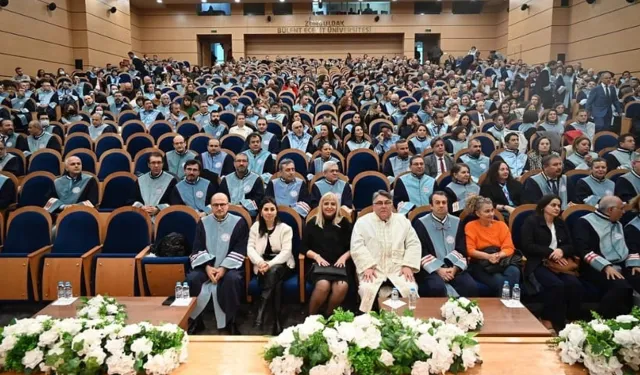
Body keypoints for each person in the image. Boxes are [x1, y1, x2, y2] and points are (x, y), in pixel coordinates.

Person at [186, 193, 248, 335]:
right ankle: (196, 320)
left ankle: (230, 321)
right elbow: (197, 247)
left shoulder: (239, 222)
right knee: (192, 279)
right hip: (207, 266)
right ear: (211, 206)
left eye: (222, 204)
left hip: (230, 266)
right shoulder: (203, 222)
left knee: (232, 280)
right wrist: (207, 267)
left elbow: (240, 248)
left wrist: (223, 268)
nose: (219, 208)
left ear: (228, 205)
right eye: (216, 205)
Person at [350, 190, 421, 312]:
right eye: (379, 203)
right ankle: (370, 321)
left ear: (391, 205)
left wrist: (408, 265)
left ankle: (407, 321)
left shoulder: (403, 221)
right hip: (373, 269)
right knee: (367, 289)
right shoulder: (362, 222)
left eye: (387, 202)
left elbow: (413, 244)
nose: (383, 206)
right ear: (373, 206)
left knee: (410, 288)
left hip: (398, 269)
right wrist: (367, 266)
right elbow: (357, 246)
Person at [520, 195, 583, 332]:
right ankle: (550, 320)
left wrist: (561, 250)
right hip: (538, 262)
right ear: (543, 207)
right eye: (553, 205)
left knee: (574, 284)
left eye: (559, 206)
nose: (557, 208)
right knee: (556, 285)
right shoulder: (531, 222)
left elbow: (571, 245)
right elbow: (526, 245)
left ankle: (572, 319)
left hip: (560, 263)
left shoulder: (560, 223)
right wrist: (550, 252)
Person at [574, 196, 640, 318]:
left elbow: (628, 246)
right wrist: (606, 267)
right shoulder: (585, 222)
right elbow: (584, 250)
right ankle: (600, 321)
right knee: (621, 287)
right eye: (621, 209)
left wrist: (634, 264)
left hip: (622, 264)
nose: (624, 212)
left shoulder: (619, 223)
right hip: (595, 267)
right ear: (611, 210)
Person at [414, 191, 478, 297]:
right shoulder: (421, 223)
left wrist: (454, 269)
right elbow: (421, 250)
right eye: (437, 203)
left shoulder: (457, 222)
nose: (441, 205)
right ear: (431, 206)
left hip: (454, 267)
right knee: (436, 288)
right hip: (432, 270)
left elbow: (462, 249)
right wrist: (439, 269)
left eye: (444, 203)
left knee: (470, 287)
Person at [247, 198, 294, 335]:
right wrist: (260, 262)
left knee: (273, 271)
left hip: (282, 265)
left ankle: (260, 314)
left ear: (276, 211)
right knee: (276, 283)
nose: (269, 212)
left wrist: (269, 264)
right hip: (261, 265)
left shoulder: (285, 229)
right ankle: (277, 320)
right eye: (266, 209)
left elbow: (286, 253)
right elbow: (250, 248)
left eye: (272, 209)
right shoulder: (255, 227)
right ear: (261, 212)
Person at [303, 192, 353, 316]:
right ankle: (312, 317)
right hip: (318, 265)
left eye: (333, 204)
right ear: (321, 206)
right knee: (323, 285)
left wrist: (344, 257)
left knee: (341, 287)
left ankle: (328, 316)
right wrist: (316, 256)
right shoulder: (312, 223)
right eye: (326, 204)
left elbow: (354, 246)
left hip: (340, 265)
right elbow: (302, 247)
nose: (329, 207)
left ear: (337, 207)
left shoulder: (345, 223)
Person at [465, 196, 521, 296]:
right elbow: (470, 250)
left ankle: (511, 305)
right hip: (480, 263)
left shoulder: (501, 225)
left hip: (501, 259)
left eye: (492, 210)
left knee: (514, 271)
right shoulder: (471, 226)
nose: (491, 214)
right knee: (501, 282)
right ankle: (503, 309)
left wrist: (499, 255)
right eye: (487, 211)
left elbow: (509, 247)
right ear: (478, 213)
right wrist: (488, 257)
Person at [132, 152, 177, 218]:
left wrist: (158, 209)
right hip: (142, 215)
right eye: (153, 163)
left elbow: (174, 202)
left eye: (159, 162)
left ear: (162, 164)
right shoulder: (140, 180)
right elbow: (132, 199)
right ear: (148, 165)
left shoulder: (171, 180)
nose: (156, 165)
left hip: (163, 216)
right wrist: (141, 207)